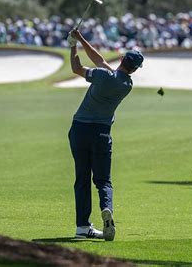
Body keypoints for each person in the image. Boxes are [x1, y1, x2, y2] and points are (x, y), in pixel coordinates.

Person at [67, 29, 143, 241]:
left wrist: (74, 44)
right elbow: (101, 62)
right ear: (135, 69)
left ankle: (82, 226)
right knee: (103, 181)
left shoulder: (101, 76)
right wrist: (80, 39)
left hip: (79, 130)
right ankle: (106, 208)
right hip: (101, 133)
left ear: (121, 58)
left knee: (81, 178)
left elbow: (76, 67)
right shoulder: (127, 84)